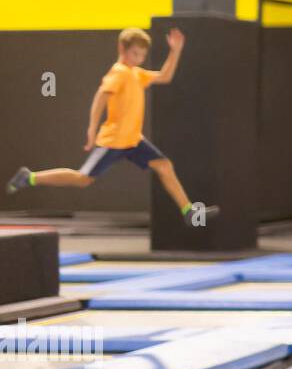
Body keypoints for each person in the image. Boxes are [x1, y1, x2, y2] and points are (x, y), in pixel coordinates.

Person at [6, 26, 216, 223]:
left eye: (142, 55)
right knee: (83, 179)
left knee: (164, 166)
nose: (139, 59)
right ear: (121, 49)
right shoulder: (119, 72)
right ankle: (30, 177)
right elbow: (100, 98)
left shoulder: (136, 73)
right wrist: (91, 129)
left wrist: (175, 50)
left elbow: (165, 76)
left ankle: (188, 212)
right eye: (135, 54)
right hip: (114, 141)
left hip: (133, 140)